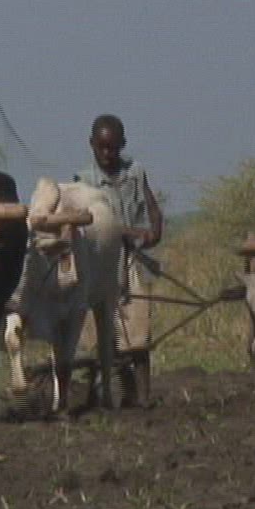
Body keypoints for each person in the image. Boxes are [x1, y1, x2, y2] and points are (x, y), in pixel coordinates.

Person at [74, 113, 163, 407]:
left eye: (112, 148)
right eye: (101, 147)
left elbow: (151, 206)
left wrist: (155, 230)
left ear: (122, 144)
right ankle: (96, 395)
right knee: (96, 334)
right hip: (98, 261)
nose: (107, 153)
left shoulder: (135, 172)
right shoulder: (83, 181)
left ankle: (143, 396)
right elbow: (95, 223)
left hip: (132, 259)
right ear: (91, 144)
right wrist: (130, 232)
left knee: (137, 331)